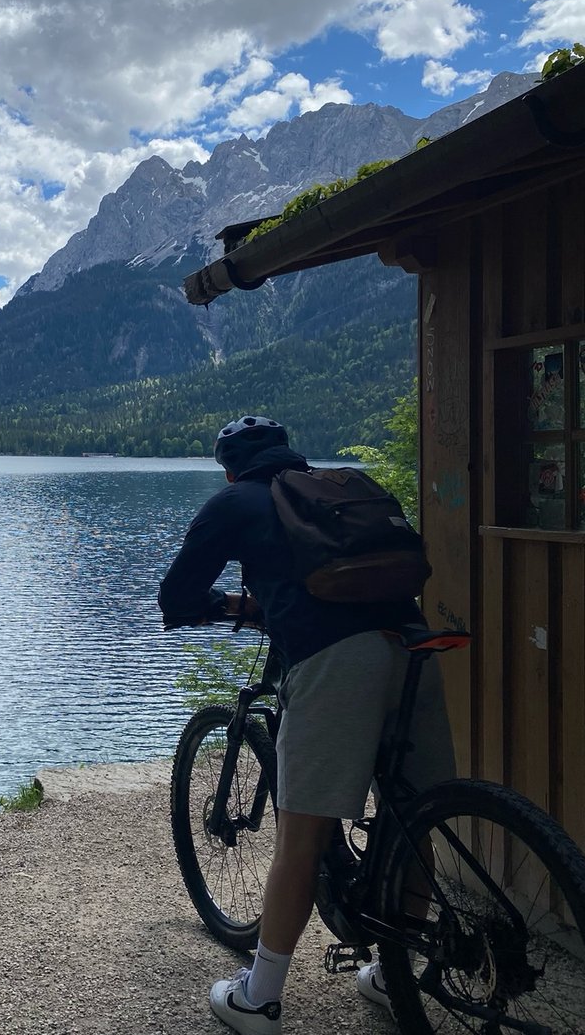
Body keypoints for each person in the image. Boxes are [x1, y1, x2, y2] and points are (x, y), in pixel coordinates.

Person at [158, 416, 455, 1035]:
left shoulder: (235, 501)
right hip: (416, 648)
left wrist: (238, 606)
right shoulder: (338, 491)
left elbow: (177, 597)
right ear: (290, 454)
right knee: (411, 816)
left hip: (336, 660)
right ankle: (393, 971)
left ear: (230, 469)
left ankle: (259, 999)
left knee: (302, 836)